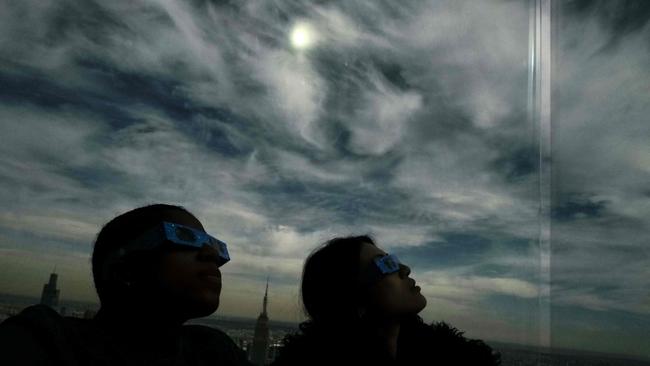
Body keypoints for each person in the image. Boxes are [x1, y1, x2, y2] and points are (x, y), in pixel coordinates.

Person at [0, 204, 252, 366]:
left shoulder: (212, 349)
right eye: (184, 237)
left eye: (214, 245)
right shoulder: (47, 340)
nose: (211, 255)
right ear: (125, 270)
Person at [272, 235, 501, 366]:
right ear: (351, 294)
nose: (405, 269)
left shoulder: (454, 356)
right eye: (386, 264)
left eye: (395, 260)